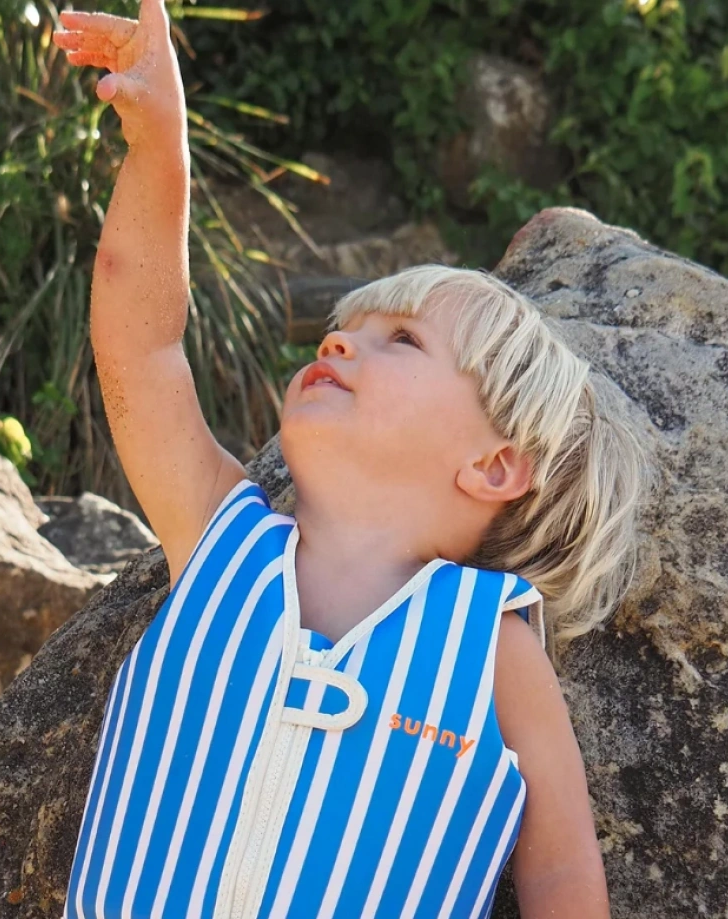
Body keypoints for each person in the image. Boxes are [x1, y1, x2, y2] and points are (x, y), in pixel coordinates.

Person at [53, 3, 652, 916]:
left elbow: (563, 874)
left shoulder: (491, 648)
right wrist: (162, 149)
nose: (339, 343)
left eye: (400, 341)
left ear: (494, 466)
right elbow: (143, 348)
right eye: (344, 328)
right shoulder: (219, 539)